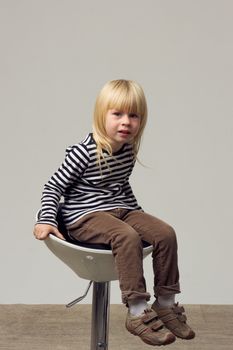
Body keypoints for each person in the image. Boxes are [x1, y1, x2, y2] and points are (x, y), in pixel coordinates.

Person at [33, 79, 195, 346]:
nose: (126, 122)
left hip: (120, 209)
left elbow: (121, 186)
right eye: (117, 114)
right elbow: (53, 186)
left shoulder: (127, 150)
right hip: (84, 216)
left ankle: (166, 302)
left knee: (165, 233)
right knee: (126, 236)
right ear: (101, 115)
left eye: (134, 115)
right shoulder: (83, 152)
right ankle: (137, 310)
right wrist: (46, 219)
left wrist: (142, 219)